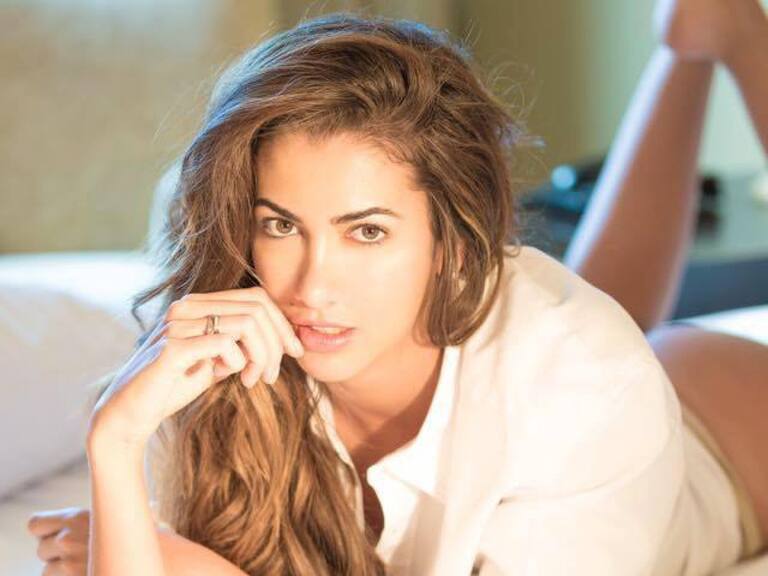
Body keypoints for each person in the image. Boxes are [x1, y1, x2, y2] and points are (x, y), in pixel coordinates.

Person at [26, 0, 768, 574]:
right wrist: (114, 440)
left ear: (454, 240)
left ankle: (731, 36)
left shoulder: (588, 381)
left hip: (732, 431)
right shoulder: (215, 353)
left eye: (367, 232)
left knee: (579, 339)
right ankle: (693, 42)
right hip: (551, 367)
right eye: (281, 225)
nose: (312, 286)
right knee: (575, 321)